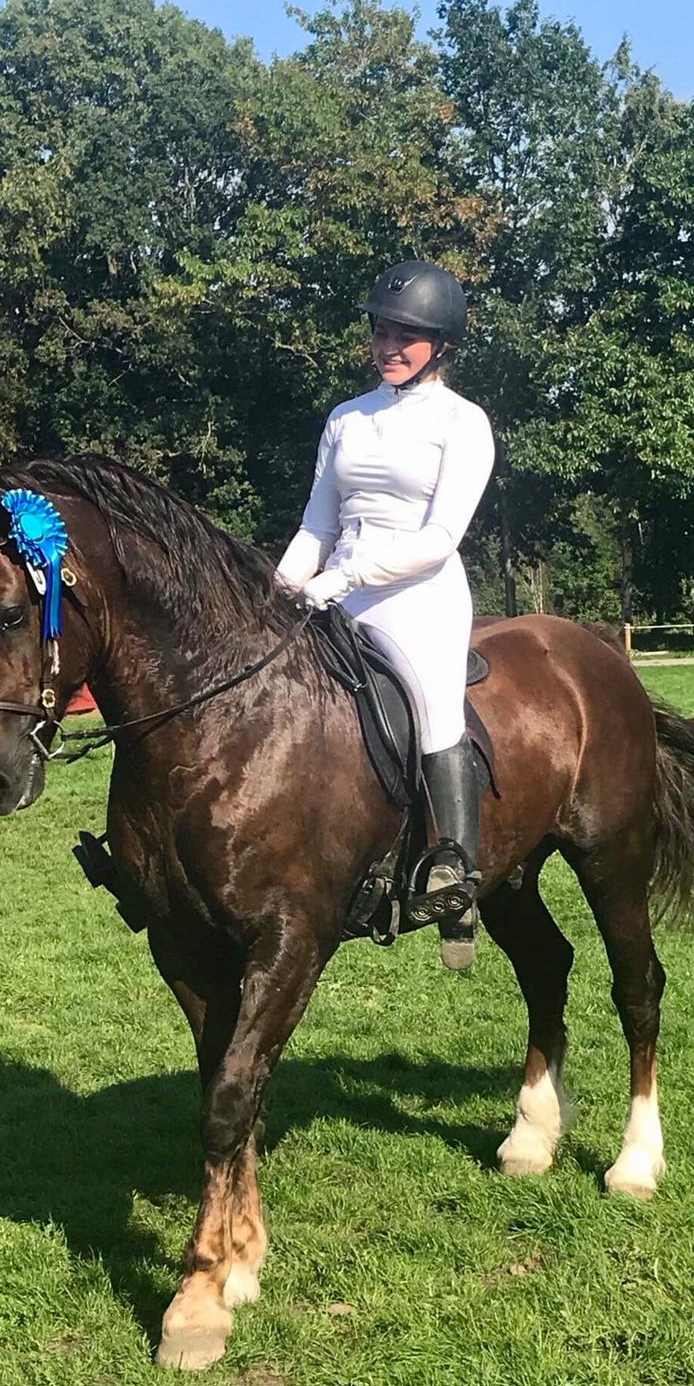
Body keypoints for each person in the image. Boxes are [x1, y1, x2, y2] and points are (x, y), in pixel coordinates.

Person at [276, 259, 495, 968]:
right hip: (336, 586)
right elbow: (317, 524)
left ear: (442, 345)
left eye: (407, 336)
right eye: (381, 332)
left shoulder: (463, 423)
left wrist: (346, 576)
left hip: (418, 594)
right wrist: (278, 588)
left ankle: (454, 874)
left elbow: (439, 539)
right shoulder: (346, 418)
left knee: (434, 708)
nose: (389, 346)